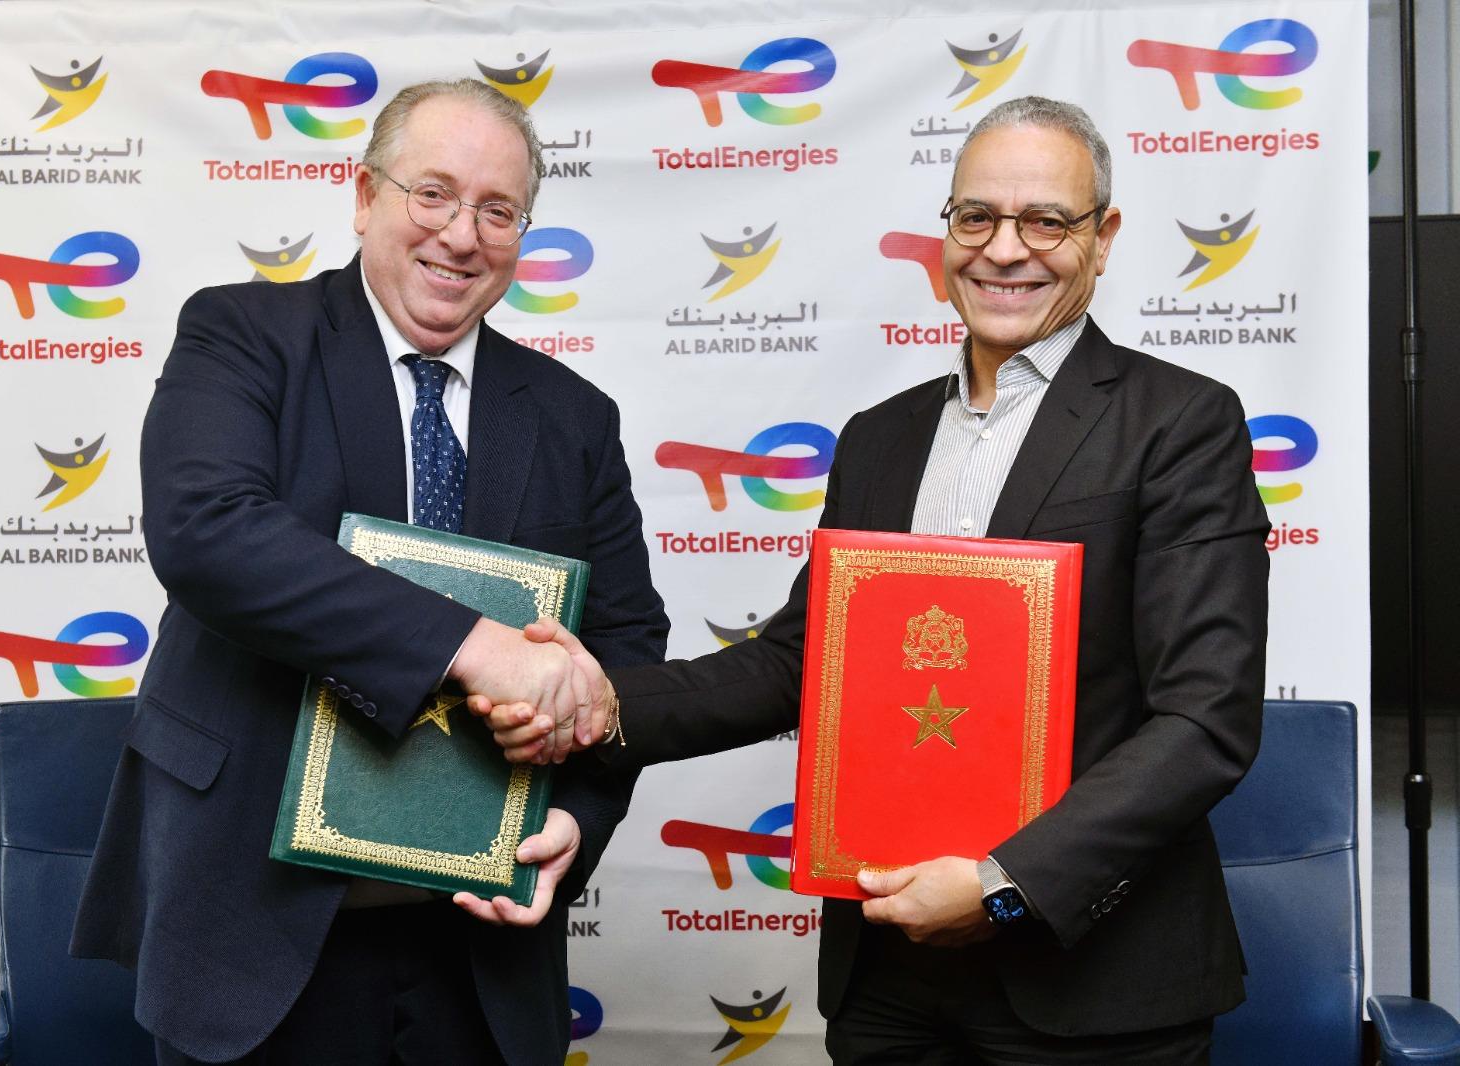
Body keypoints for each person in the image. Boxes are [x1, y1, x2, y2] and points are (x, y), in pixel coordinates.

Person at [476, 96, 1269, 1064]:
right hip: (889, 975)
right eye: (976, 217)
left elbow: (1204, 718)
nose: (1004, 249)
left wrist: (1003, 885)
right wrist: (599, 703)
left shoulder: (1180, 424)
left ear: (1101, 240)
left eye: (1045, 221)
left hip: (1093, 987)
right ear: (946, 233)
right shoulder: (879, 439)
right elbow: (797, 662)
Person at [71, 78, 668, 1066]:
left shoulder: (574, 417)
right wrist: (475, 647)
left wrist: (579, 813)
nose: (461, 235)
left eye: (498, 211)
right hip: (252, 930)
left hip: (477, 951)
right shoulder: (242, 335)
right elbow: (206, 531)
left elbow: (627, 644)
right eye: (432, 193)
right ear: (363, 196)